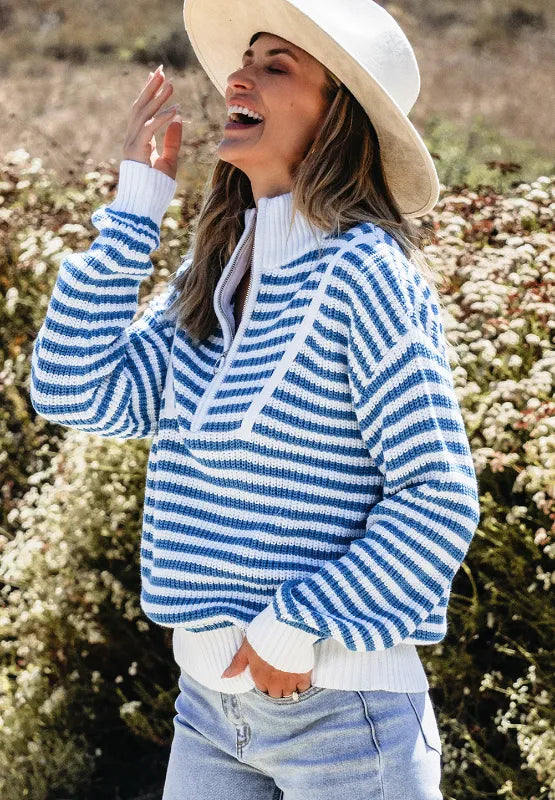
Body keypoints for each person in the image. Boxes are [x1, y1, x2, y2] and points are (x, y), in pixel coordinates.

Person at [30, 1, 481, 797]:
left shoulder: (366, 275)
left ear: (336, 115)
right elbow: (74, 389)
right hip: (210, 715)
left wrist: (293, 627)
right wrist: (133, 212)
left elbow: (436, 494)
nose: (238, 78)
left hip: (346, 716)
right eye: (246, 60)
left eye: (277, 66)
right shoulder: (215, 274)